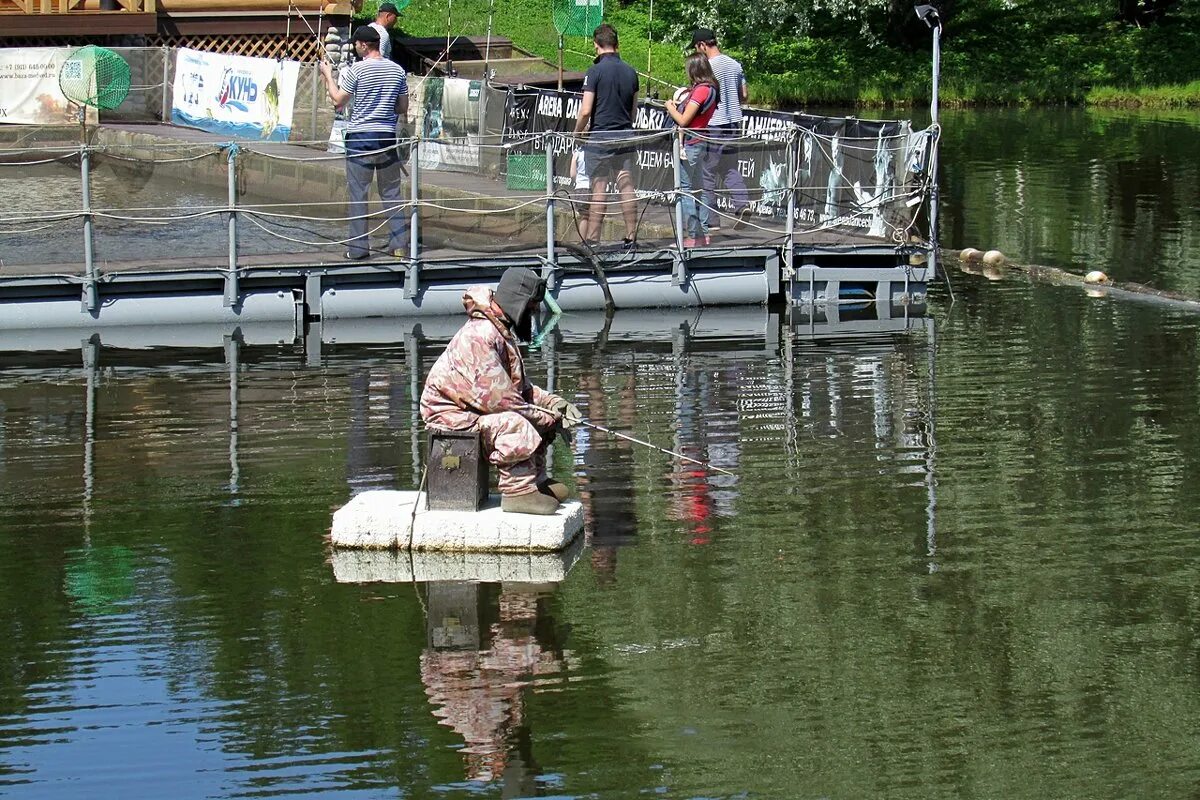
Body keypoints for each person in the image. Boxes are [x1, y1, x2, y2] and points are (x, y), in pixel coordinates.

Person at [420, 267, 582, 516]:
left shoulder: (499, 330)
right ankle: (517, 493)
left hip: (473, 410)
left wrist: (552, 403)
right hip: (450, 418)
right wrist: (550, 418)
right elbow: (502, 403)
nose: (536, 311)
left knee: (533, 417)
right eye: (532, 305)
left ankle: (535, 481)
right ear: (519, 302)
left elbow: (519, 389)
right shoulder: (481, 335)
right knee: (514, 424)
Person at [319, 25, 409, 260]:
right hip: (387, 137)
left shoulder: (355, 70)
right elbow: (402, 107)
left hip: (360, 138)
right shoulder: (398, 71)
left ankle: (358, 250)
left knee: (359, 193)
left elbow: (338, 101)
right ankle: (399, 246)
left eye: (356, 44)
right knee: (391, 193)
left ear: (363, 45)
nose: (355, 47)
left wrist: (328, 75)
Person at [572, 23, 639, 246]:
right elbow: (633, 111)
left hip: (600, 137)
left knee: (599, 186)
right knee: (626, 183)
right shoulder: (631, 72)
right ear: (617, 45)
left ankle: (593, 240)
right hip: (626, 135)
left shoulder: (594, 72)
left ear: (596, 45)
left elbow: (586, 110)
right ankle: (631, 235)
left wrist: (576, 133)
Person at [691, 28, 750, 234]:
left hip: (714, 124)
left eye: (698, 49)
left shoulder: (707, 67)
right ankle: (742, 205)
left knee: (706, 172)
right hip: (734, 123)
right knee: (730, 168)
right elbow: (744, 94)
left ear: (702, 46)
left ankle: (712, 220)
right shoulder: (735, 64)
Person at [665, 52, 720, 248]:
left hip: (691, 144)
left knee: (686, 190)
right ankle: (703, 234)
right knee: (700, 188)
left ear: (694, 70)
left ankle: (694, 235)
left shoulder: (700, 91)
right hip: (702, 141)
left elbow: (683, 121)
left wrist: (670, 107)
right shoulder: (713, 89)